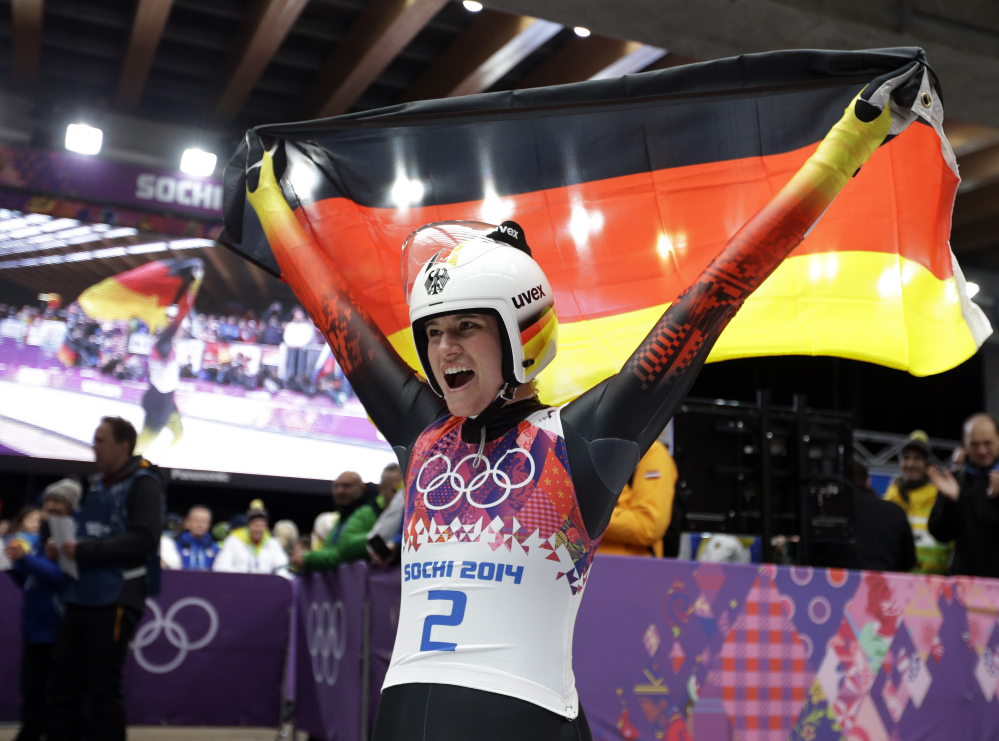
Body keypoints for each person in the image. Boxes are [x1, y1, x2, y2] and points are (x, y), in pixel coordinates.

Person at [233, 75, 916, 739]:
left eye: (465, 327)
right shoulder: (422, 436)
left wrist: (844, 149)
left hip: (520, 718)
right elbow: (332, 313)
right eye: (432, 332)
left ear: (518, 334)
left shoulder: (578, 441)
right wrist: (270, 201)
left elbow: (713, 296)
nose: (443, 349)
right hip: (401, 714)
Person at [47, 416, 164, 741]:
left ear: (123, 446)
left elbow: (144, 540)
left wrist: (82, 550)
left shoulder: (144, 483)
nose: (93, 446)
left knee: (102, 689)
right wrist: (61, 545)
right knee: (64, 684)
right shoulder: (95, 484)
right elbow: (87, 533)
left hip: (116, 597)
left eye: (100, 440)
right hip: (79, 593)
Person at [4, 479, 79, 741]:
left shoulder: (72, 539)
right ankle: (31, 732)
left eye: (57, 505)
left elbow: (60, 578)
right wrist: (14, 565)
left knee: (56, 693)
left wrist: (26, 560)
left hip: (59, 629)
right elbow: (30, 583)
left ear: (71, 508)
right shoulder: (37, 540)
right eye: (48, 504)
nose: (50, 509)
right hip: (33, 628)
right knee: (31, 690)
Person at [135, 258, 204, 454]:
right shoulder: (163, 344)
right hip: (159, 402)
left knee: (178, 435)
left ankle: (164, 460)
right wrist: (189, 287)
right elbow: (178, 320)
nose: (183, 330)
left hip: (164, 398)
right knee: (146, 440)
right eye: (181, 327)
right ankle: (131, 462)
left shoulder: (165, 343)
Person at [810, 458, 916, 573]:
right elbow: (908, 562)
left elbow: (807, 556)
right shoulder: (895, 511)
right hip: (880, 587)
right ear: (867, 481)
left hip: (832, 586)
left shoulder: (823, 511)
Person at [929, 413, 999, 577]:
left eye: (988, 443)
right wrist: (951, 501)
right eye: (975, 444)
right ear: (965, 444)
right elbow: (940, 534)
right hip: (965, 584)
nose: (982, 451)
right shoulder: (957, 480)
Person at [883, 430, 950, 574]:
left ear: (926, 464)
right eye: (906, 458)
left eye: (917, 458)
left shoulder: (939, 499)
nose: (910, 464)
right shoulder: (889, 500)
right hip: (896, 583)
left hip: (934, 584)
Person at [596, 440, 677, 557]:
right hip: (577, 564)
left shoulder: (650, 452)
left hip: (630, 568)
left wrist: (578, 515)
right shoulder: (574, 449)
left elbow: (648, 527)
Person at [290, 471, 384, 571]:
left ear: (362, 488)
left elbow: (342, 553)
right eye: (336, 487)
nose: (340, 491)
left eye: (347, 486)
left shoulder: (368, 512)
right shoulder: (344, 517)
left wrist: (307, 559)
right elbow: (330, 550)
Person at [212, 502, 290, 575]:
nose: (259, 529)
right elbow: (220, 567)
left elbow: (281, 567)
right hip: (238, 586)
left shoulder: (273, 543)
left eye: (262, 525)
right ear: (248, 526)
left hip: (265, 586)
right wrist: (243, 577)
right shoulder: (233, 540)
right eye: (256, 525)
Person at [162, 505, 218, 571]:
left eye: (203, 522)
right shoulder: (174, 545)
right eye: (196, 521)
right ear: (187, 523)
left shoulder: (215, 548)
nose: (199, 525)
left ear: (209, 525)